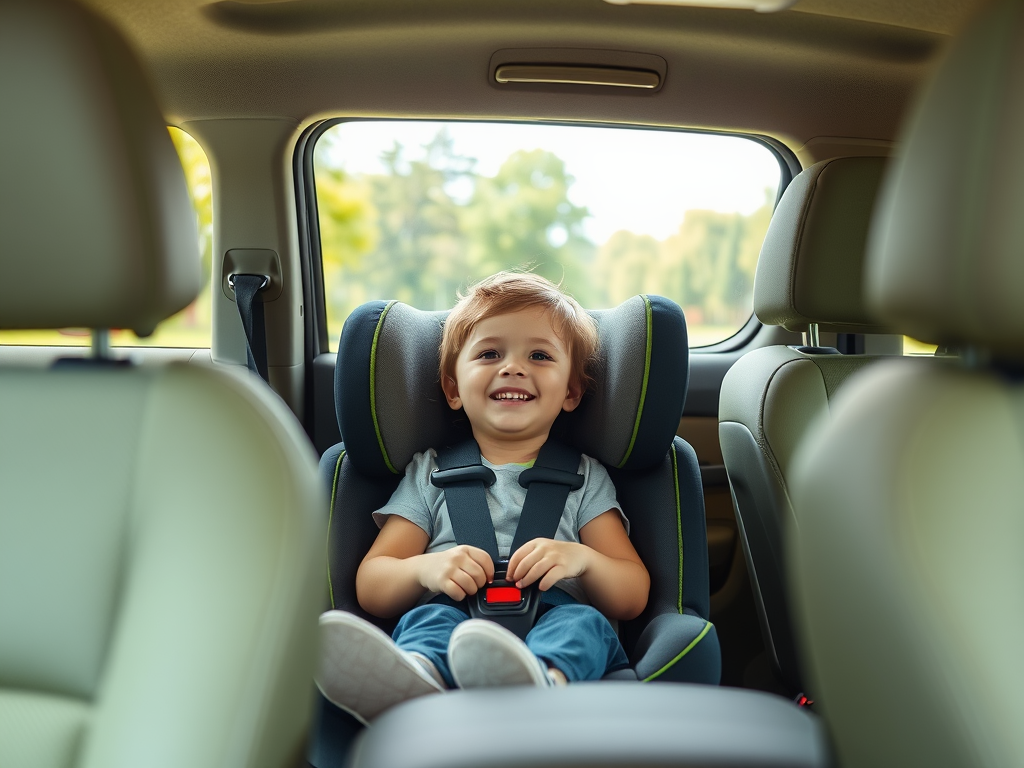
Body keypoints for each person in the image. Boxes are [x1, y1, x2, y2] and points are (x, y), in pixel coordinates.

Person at [317, 271, 650, 723]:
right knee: (426, 623)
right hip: (453, 617)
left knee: (583, 626)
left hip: (556, 612)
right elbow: (373, 583)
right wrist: (426, 568)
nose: (513, 367)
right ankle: (418, 676)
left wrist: (583, 561)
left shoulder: (585, 478)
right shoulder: (429, 473)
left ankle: (542, 678)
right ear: (453, 389)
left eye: (539, 355)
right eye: (490, 353)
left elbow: (632, 594)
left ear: (571, 391)